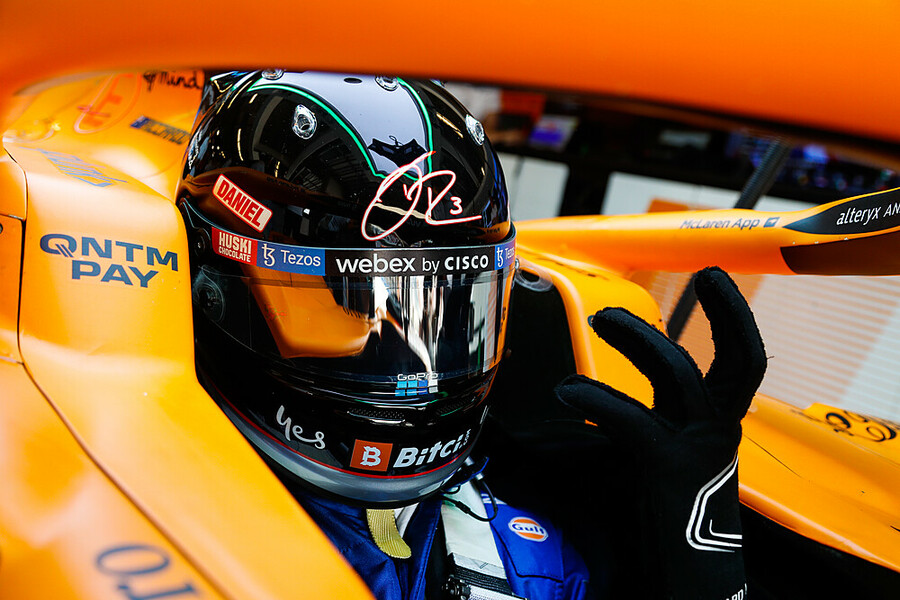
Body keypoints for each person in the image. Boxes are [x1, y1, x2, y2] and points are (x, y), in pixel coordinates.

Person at [176, 70, 767, 600]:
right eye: (353, 301)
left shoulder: (533, 562)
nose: (406, 356)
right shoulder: (160, 511)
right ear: (213, 288)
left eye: (446, 306)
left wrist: (703, 566)